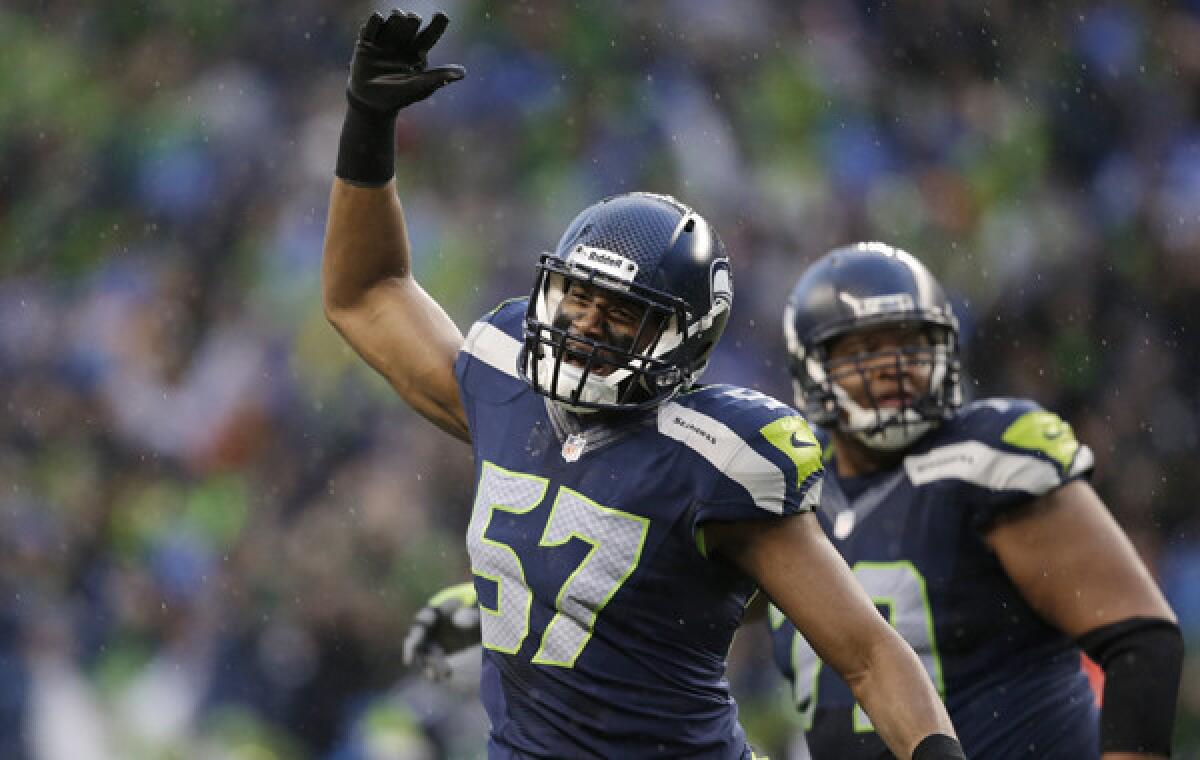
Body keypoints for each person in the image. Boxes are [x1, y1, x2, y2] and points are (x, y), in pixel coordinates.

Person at [322, 9, 967, 759]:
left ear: (681, 337)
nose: (586, 325)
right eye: (578, 298)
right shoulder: (505, 381)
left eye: (621, 314)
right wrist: (367, 124)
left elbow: (868, 652)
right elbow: (365, 293)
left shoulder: (714, 460)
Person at [770, 241, 1182, 759]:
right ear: (811, 368)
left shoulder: (986, 457)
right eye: (864, 349)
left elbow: (1142, 640)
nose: (893, 367)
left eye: (912, 344)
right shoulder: (786, 489)